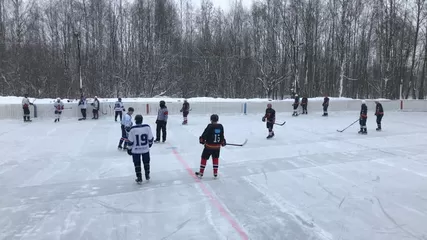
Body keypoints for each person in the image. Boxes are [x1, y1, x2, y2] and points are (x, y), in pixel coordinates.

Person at [195, 114, 226, 178]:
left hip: (209, 146)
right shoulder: (220, 126)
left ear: (211, 119)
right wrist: (223, 142)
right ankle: (215, 173)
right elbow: (222, 136)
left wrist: (202, 140)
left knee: (204, 158)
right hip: (217, 147)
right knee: (215, 158)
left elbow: (205, 135)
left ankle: (201, 173)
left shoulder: (210, 126)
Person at [127, 114, 154, 184]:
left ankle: (139, 177)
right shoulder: (147, 127)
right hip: (145, 149)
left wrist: (129, 149)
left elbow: (130, 141)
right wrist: (149, 144)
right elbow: (150, 138)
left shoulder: (132, 129)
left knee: (137, 164)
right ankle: (147, 175)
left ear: (135, 121)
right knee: (146, 162)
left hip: (135, 150)